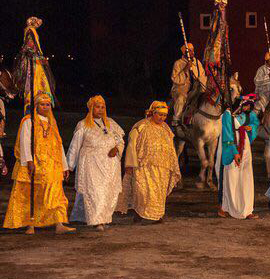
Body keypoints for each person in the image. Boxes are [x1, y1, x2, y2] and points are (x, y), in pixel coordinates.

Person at [3, 93, 75, 234]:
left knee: (55, 194)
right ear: (36, 106)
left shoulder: (52, 123)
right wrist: (28, 161)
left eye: (48, 104)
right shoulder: (29, 121)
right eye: (42, 104)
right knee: (33, 194)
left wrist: (64, 166)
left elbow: (58, 145)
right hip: (36, 163)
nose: (45, 107)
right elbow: (25, 142)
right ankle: (30, 225)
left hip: (52, 165)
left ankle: (58, 224)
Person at [66, 96, 125, 231]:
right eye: (97, 107)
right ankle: (98, 220)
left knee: (109, 192)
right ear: (91, 108)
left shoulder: (111, 124)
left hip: (110, 164)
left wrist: (116, 149)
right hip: (91, 163)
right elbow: (75, 146)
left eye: (102, 107)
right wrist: (69, 166)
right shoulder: (83, 125)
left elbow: (120, 141)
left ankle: (103, 217)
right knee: (95, 191)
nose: (100, 110)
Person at [116, 101, 181, 222]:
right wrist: (130, 164)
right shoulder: (141, 126)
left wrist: (173, 164)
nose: (162, 118)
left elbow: (171, 148)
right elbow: (131, 146)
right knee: (143, 191)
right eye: (159, 115)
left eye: (164, 115)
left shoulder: (166, 128)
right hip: (144, 166)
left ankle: (156, 215)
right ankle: (140, 214)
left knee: (158, 193)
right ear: (153, 113)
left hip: (163, 167)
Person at [215, 94, 260, 219]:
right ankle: (228, 207)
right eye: (244, 105)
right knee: (231, 178)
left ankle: (246, 209)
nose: (246, 108)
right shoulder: (227, 115)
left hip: (245, 146)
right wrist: (234, 151)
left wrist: (251, 128)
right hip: (232, 148)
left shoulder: (248, 115)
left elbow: (255, 124)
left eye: (248, 106)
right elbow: (227, 135)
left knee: (246, 177)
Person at [170, 43, 207, 126]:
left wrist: (202, 84)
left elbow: (202, 76)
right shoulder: (178, 63)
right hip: (182, 87)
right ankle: (176, 119)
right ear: (184, 52)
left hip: (196, 87)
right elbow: (175, 79)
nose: (192, 52)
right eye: (189, 51)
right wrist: (186, 69)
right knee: (181, 98)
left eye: (192, 50)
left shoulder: (197, 63)